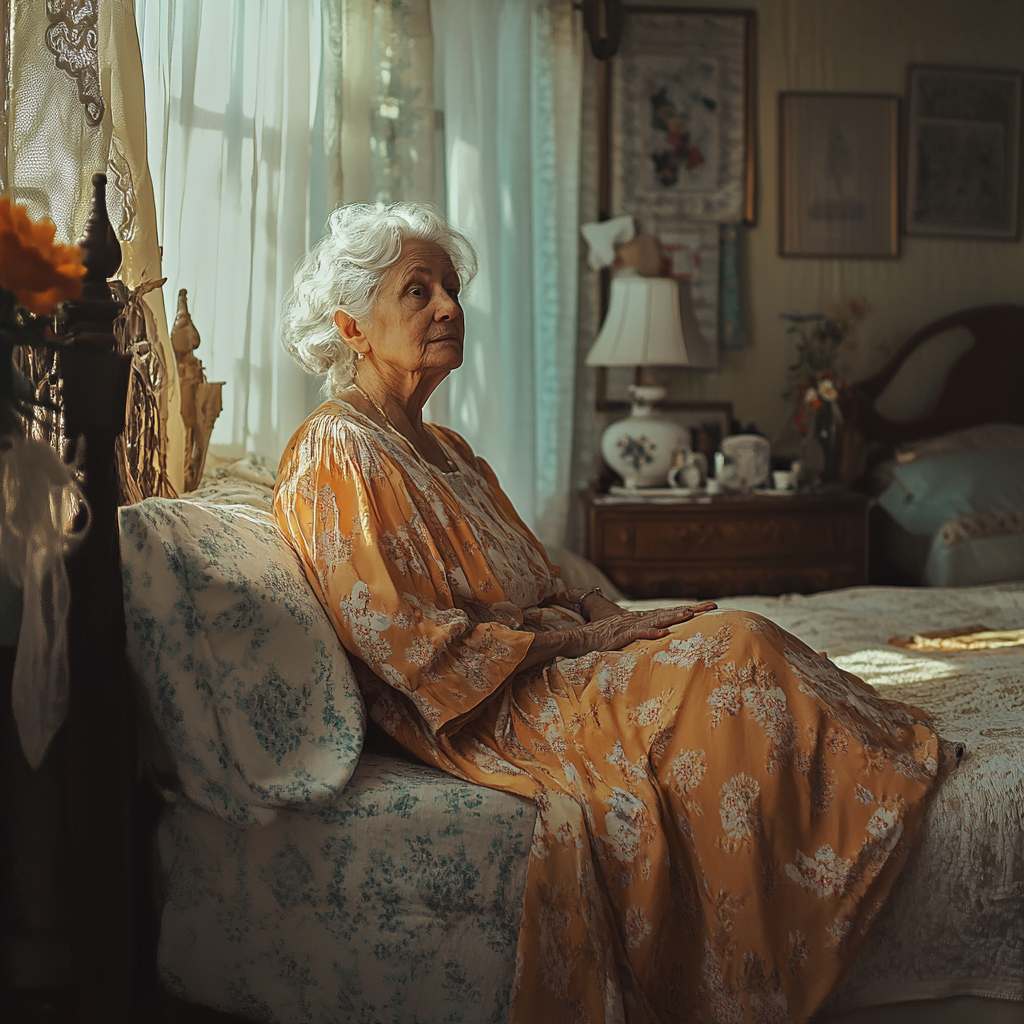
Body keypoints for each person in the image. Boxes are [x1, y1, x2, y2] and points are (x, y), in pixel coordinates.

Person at [274, 202, 950, 1024]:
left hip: (550, 664)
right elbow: (403, 643)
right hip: (497, 708)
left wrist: (610, 617)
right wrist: (588, 640)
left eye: (451, 288)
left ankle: (886, 771)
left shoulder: (450, 451)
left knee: (723, 634)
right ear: (352, 326)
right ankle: (887, 805)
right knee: (733, 650)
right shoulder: (336, 449)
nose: (450, 307)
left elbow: (544, 579)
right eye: (418, 292)